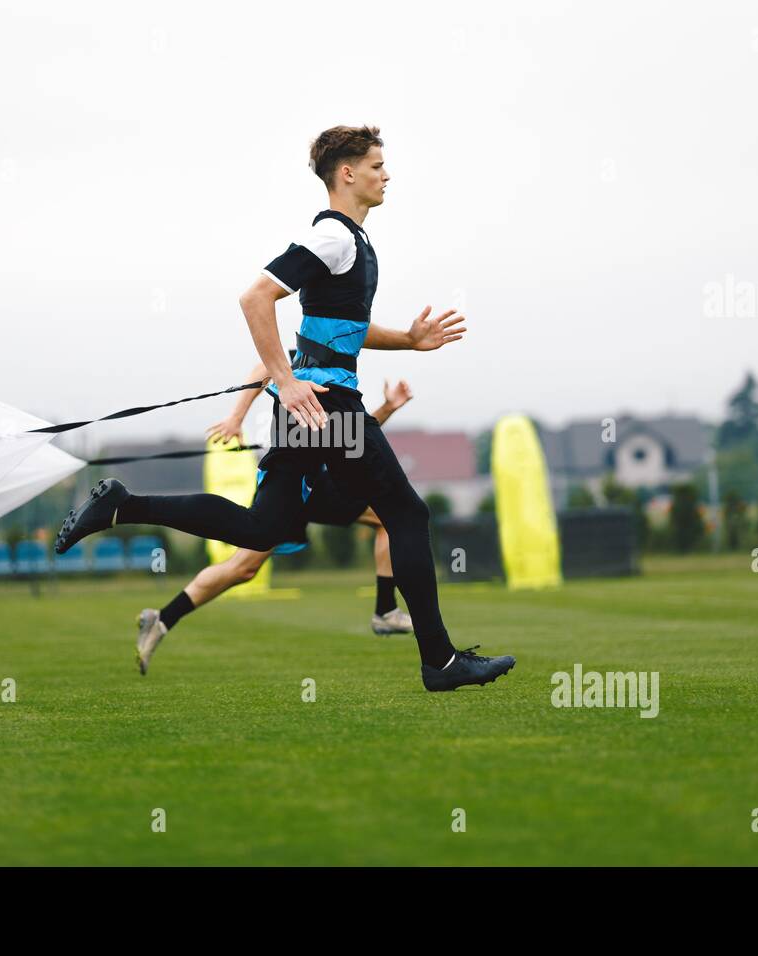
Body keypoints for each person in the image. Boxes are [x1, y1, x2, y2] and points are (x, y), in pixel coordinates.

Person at [57, 124, 514, 692]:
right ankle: (440, 661)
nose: (386, 175)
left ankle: (123, 506)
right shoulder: (334, 237)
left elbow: (341, 328)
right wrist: (285, 381)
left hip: (312, 408)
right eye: (376, 166)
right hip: (328, 406)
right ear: (347, 174)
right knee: (407, 515)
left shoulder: (352, 243)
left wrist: (409, 340)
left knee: (261, 528)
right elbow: (256, 296)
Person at [134, 369, 416, 676]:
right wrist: (236, 417)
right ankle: (161, 619)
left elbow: (353, 435)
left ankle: (385, 610)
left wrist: (387, 408)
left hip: (316, 480)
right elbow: (264, 368)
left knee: (386, 518)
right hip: (290, 483)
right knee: (243, 568)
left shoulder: (337, 367)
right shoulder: (307, 350)